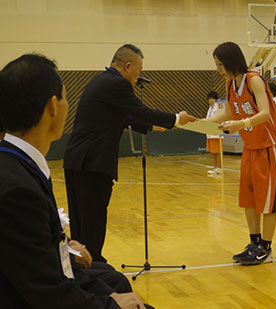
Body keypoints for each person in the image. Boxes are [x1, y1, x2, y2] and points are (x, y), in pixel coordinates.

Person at [0, 53, 146, 308]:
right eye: (66, 97)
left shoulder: (18, 164)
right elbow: (47, 292)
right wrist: (109, 304)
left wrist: (64, 248)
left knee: (115, 281)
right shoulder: (17, 189)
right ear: (52, 107)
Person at [63, 44, 196, 262]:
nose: (138, 76)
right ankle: (94, 265)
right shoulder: (117, 84)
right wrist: (176, 119)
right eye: (139, 70)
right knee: (94, 220)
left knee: (81, 221)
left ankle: (82, 265)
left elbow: (124, 118)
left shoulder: (100, 81)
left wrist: (153, 126)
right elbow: (140, 111)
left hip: (77, 160)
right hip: (93, 162)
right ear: (128, 66)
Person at [208, 42, 276, 266]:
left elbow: (264, 113)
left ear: (232, 61)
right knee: (249, 198)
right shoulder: (230, 85)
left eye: (220, 64)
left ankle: (266, 247)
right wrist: (199, 123)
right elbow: (227, 112)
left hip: (270, 145)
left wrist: (241, 123)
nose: (218, 68)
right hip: (251, 146)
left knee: (269, 200)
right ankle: (254, 243)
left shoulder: (253, 79)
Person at [205, 91, 224, 175]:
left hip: (217, 133)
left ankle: (220, 167)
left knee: (218, 152)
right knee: (214, 152)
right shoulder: (210, 108)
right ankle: (215, 167)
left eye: (212, 98)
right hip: (210, 133)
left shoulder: (219, 106)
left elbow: (218, 119)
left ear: (215, 99)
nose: (210, 100)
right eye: (209, 99)